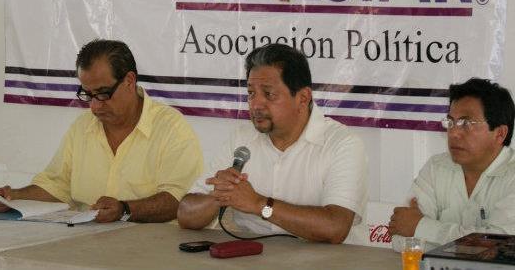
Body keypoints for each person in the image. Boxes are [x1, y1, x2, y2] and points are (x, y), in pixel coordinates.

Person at [0, 39, 203, 222]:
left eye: (103, 93)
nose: (95, 106)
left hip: (150, 245)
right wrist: (12, 196)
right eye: (88, 95)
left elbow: (178, 200)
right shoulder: (83, 127)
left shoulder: (171, 128)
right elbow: (57, 185)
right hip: (83, 240)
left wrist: (125, 210)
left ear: (129, 81)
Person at [177, 43, 367, 243]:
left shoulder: (342, 144)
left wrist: (259, 204)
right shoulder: (241, 139)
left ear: (303, 98)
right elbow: (185, 215)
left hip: (328, 259)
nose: (256, 105)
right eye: (251, 93)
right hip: (253, 255)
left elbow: (335, 227)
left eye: (269, 94)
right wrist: (219, 195)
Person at [389, 78, 515, 246]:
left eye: (466, 123)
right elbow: (401, 238)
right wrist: (473, 242)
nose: (454, 133)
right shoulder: (436, 167)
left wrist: (421, 227)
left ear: (500, 133)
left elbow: (501, 247)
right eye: (450, 122)